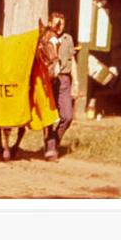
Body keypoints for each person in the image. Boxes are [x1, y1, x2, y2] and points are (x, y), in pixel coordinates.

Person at [44, 11, 78, 160]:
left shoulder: (67, 39)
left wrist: (76, 81)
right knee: (50, 116)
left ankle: (54, 141)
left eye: (62, 23)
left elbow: (72, 60)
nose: (59, 26)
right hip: (49, 81)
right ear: (50, 23)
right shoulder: (46, 38)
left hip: (64, 80)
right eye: (56, 23)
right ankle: (51, 148)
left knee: (68, 116)